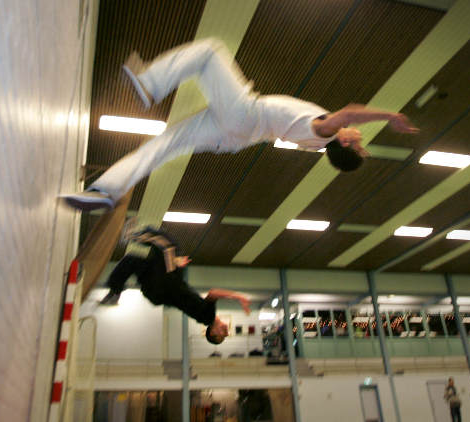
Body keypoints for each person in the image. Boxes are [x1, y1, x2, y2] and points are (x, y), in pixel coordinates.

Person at [62, 38, 418, 211]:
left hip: (246, 115)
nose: (358, 136)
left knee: (210, 52)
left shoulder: (320, 130)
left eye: (357, 141)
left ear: (342, 143)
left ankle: (150, 83)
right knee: (166, 143)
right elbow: (349, 126)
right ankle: (106, 191)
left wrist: (390, 116)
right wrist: (360, 145)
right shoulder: (318, 141)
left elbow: (351, 113)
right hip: (235, 135)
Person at [99, 225, 250, 344]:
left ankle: (130, 236)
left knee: (167, 245)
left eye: (222, 335)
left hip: (166, 284)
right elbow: (184, 295)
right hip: (156, 292)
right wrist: (176, 265)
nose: (226, 331)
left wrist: (239, 297)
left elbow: (213, 293)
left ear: (213, 332)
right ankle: (114, 292)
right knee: (132, 260)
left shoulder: (208, 316)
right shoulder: (203, 316)